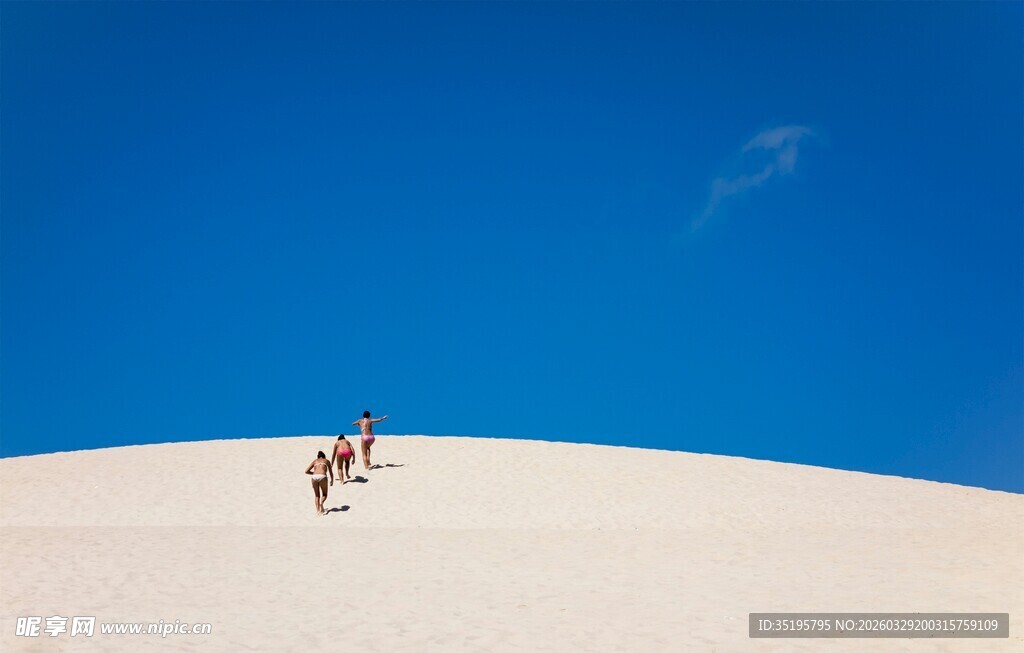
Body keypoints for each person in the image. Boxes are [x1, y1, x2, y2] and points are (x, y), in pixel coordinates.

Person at [304, 451, 334, 515]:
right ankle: (321, 503)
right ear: (324, 456)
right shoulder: (326, 461)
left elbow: (306, 471)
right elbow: (331, 472)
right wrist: (332, 480)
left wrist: (314, 473)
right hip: (323, 476)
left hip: (314, 477)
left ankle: (318, 511)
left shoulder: (315, 461)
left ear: (318, 456)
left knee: (317, 495)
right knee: (325, 494)